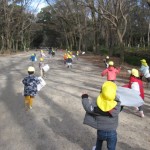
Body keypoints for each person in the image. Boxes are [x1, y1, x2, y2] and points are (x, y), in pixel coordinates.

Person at [81, 81, 121, 150]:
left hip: (101, 131)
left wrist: (85, 97)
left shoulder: (97, 103)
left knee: (99, 141)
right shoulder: (117, 105)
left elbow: (88, 108)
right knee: (111, 148)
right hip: (112, 132)